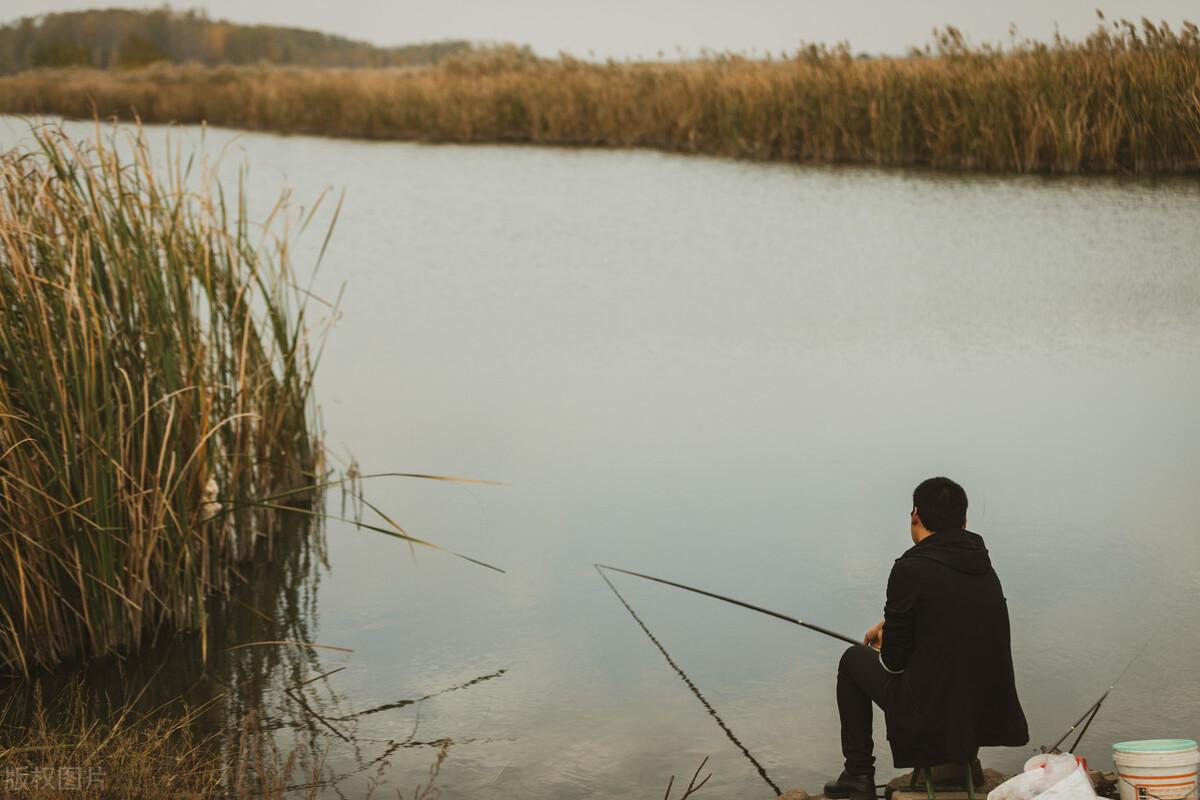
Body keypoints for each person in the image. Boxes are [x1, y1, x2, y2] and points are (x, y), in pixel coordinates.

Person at [823, 477, 1029, 800]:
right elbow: (952, 623)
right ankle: (959, 762)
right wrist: (893, 623)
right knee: (949, 670)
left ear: (915, 514)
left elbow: (892, 664)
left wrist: (886, 644)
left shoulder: (910, 568)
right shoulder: (982, 565)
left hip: (933, 714)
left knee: (852, 661)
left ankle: (858, 774)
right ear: (963, 520)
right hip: (988, 712)